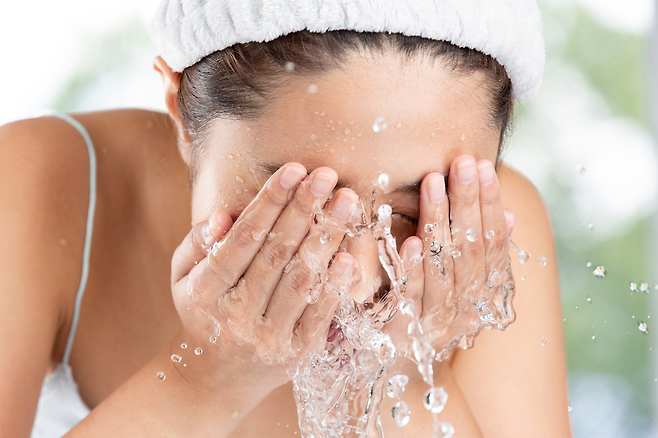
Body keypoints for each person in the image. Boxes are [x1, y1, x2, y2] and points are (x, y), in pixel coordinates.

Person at [0, 0, 571, 437]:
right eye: (306, 200)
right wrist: (208, 376)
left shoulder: (483, 233)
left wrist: (411, 374)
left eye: (409, 212)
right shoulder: (34, 183)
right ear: (184, 119)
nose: (355, 279)